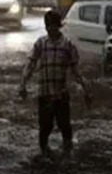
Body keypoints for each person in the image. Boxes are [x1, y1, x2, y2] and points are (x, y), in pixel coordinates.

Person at [18, 8, 92, 158]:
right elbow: (30, 64)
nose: (51, 29)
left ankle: (67, 155)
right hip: (44, 94)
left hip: (61, 95)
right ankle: (44, 154)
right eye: (48, 26)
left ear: (59, 26)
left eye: (54, 25)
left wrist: (87, 90)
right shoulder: (40, 44)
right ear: (45, 27)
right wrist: (23, 83)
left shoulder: (67, 45)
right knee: (44, 128)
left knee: (65, 127)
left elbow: (76, 72)